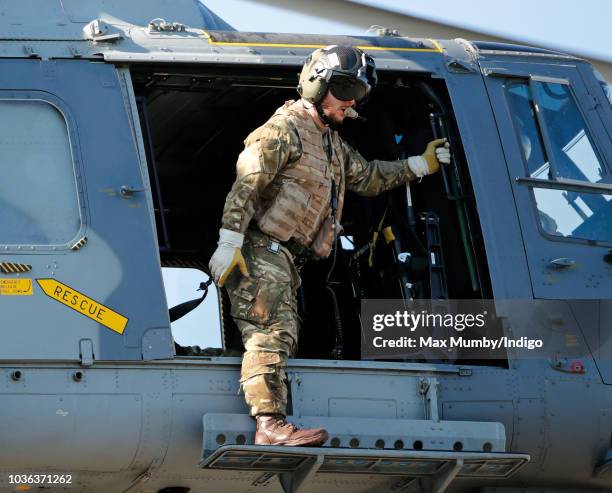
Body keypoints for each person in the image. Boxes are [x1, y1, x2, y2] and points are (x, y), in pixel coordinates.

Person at [209, 45, 450, 447]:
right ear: (316, 87)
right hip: (260, 247)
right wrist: (230, 240)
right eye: (342, 88)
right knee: (271, 330)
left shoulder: (332, 146)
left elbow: (369, 177)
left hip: (286, 256)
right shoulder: (283, 129)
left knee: (284, 329)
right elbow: (248, 183)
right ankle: (268, 425)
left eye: (357, 91)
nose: (350, 101)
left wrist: (419, 165)